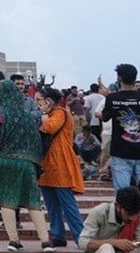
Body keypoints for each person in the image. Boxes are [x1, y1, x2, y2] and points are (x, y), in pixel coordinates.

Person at [0, 80, 54, 252]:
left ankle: (14, 241)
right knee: (33, 201)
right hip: (27, 163)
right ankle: (45, 242)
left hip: (4, 161)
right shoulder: (28, 115)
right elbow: (37, 140)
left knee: (7, 201)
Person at [36, 86, 85, 248]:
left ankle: (81, 238)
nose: (37, 103)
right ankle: (58, 235)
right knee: (51, 205)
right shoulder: (49, 114)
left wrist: (42, 113)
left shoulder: (61, 113)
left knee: (68, 205)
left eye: (39, 100)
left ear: (49, 101)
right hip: (46, 165)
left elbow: (48, 128)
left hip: (60, 163)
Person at [102, 64, 140, 190]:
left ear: (119, 78)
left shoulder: (112, 99)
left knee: (122, 194)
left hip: (120, 151)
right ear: (135, 78)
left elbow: (105, 117)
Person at [78, 186, 140, 253]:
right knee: (107, 247)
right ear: (118, 206)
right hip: (101, 250)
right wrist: (114, 242)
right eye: (129, 214)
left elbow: (137, 241)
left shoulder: (137, 214)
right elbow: (82, 242)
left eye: (135, 214)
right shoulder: (99, 212)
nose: (132, 218)